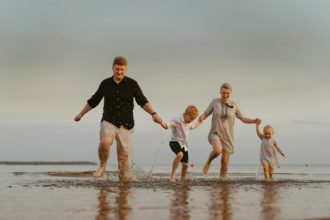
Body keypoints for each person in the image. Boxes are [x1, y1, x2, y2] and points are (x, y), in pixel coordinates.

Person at [74, 56, 166, 181]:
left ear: (126, 70)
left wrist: (154, 114)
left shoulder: (132, 84)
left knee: (123, 164)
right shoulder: (105, 84)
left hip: (126, 125)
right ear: (113, 68)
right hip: (109, 121)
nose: (119, 72)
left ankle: (123, 191)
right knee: (105, 142)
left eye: (122, 70)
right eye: (117, 69)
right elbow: (93, 101)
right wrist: (81, 114)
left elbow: (142, 101)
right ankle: (102, 166)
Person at [198, 83, 260, 180]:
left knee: (225, 162)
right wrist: (202, 117)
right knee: (217, 150)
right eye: (223, 93)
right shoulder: (215, 102)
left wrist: (253, 121)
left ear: (230, 93)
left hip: (228, 136)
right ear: (220, 92)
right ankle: (208, 162)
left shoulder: (234, 104)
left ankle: (222, 182)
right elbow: (206, 113)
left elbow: (243, 118)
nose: (225, 95)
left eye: (227, 93)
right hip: (215, 133)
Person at [165, 105, 200, 182]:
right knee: (180, 155)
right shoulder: (177, 120)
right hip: (174, 142)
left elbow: (193, 126)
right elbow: (167, 125)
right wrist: (161, 123)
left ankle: (183, 179)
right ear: (185, 113)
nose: (190, 121)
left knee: (185, 165)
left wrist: (200, 121)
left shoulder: (190, 122)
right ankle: (172, 175)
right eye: (189, 119)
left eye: (192, 120)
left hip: (184, 145)